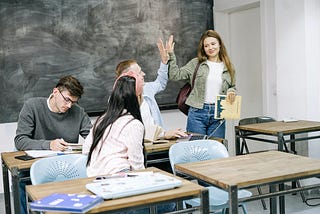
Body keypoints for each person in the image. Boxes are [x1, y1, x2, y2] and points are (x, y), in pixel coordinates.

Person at [14, 75, 92, 214]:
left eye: (73, 102)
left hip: (67, 167)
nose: (69, 106)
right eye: (67, 99)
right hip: (34, 166)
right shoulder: (33, 106)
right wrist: (49, 145)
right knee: (22, 183)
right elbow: (20, 140)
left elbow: (92, 137)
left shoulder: (78, 112)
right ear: (55, 92)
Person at [167, 30, 236, 139]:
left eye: (213, 44)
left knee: (216, 150)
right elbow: (175, 75)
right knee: (197, 150)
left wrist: (231, 91)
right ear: (203, 48)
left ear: (219, 44)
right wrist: (171, 55)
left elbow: (232, 86)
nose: (210, 48)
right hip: (197, 113)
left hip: (219, 114)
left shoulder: (228, 66)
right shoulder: (196, 63)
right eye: (206, 46)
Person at [115, 38, 187, 140]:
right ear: (128, 77)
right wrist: (164, 135)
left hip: (157, 141)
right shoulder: (117, 101)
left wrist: (164, 62)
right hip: (138, 144)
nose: (143, 74)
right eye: (139, 72)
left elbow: (160, 83)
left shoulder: (146, 88)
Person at [83, 71, 145, 176]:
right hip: (119, 176)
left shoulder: (102, 119)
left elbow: (86, 149)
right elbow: (136, 164)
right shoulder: (133, 124)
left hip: (94, 177)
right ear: (136, 98)